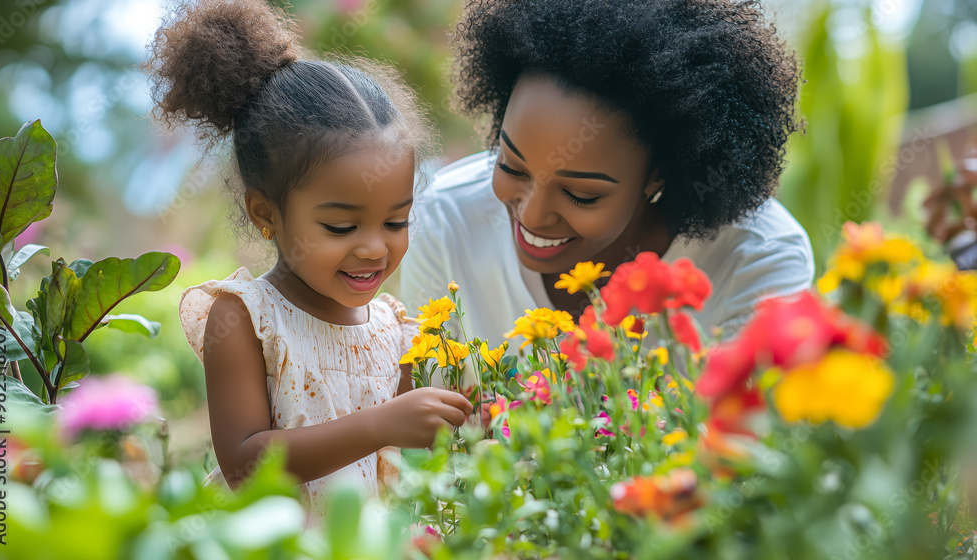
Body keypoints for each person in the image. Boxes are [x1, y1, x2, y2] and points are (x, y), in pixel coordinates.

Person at [145, 0, 473, 515]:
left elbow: (407, 454)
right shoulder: (246, 318)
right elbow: (245, 463)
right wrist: (382, 423)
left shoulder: (393, 326)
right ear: (265, 213)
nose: (373, 247)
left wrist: (457, 421)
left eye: (396, 221)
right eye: (341, 226)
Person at [399, 0, 815, 346]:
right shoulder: (446, 222)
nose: (532, 215)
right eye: (511, 166)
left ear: (659, 172)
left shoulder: (758, 261)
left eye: (580, 194)